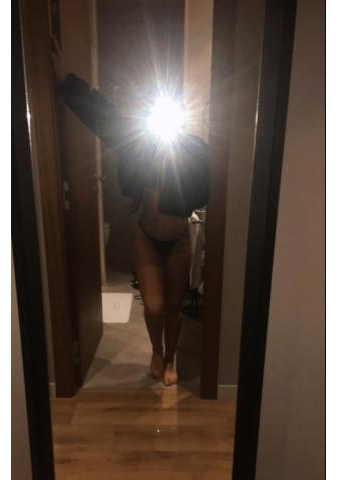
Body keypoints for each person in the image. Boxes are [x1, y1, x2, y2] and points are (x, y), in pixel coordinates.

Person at [51, 37, 209, 386]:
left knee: (173, 307)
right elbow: (103, 117)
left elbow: (211, 185)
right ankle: (157, 350)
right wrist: (66, 82)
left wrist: (183, 156)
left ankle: (171, 358)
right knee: (153, 306)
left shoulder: (194, 151)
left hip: (179, 239)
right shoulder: (137, 145)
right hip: (146, 236)